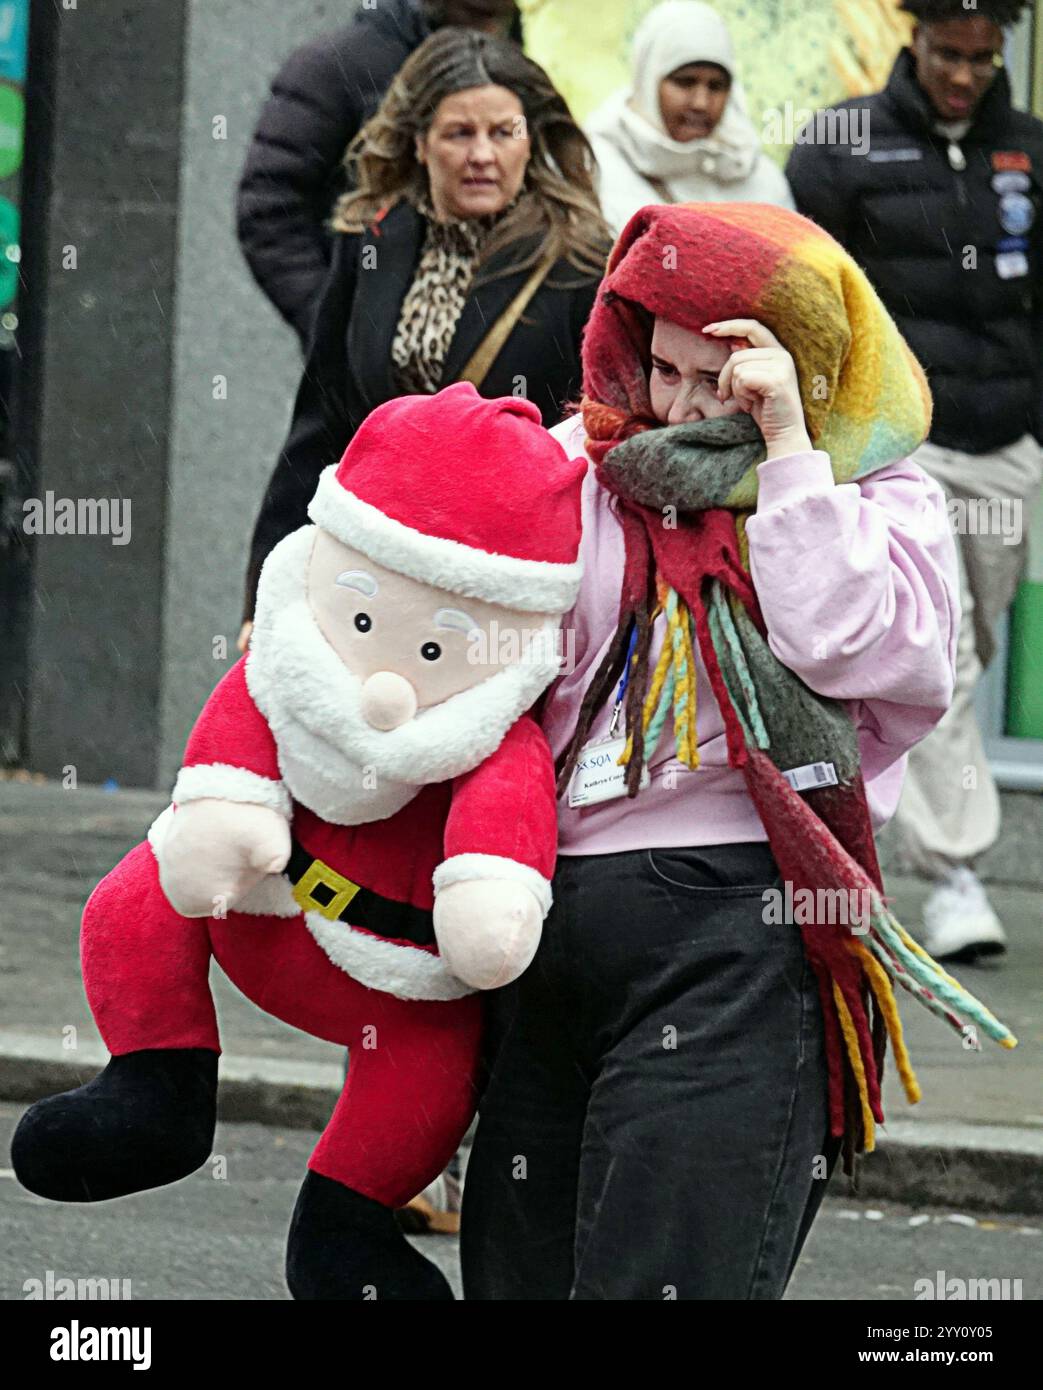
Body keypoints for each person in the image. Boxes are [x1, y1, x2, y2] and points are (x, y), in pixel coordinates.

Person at [458, 202, 1015, 1301]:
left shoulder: (872, 488)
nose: (682, 406)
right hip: (542, 921)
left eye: (727, 376)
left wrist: (789, 457)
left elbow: (863, 650)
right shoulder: (579, 463)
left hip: (738, 925)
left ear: (804, 366)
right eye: (664, 368)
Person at [786, 0, 1043, 964]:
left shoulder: (1030, 151)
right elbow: (810, 298)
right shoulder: (838, 147)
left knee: (967, 634)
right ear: (916, 42)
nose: (966, 74)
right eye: (950, 54)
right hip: (901, 445)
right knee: (943, 649)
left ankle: (878, 813)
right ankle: (958, 873)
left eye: (984, 58)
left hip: (1007, 445)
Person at [240, 26, 611, 636]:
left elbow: (596, 442)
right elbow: (320, 426)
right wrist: (264, 594)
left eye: (503, 133)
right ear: (418, 144)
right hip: (375, 564)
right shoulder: (373, 246)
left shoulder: (579, 265)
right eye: (459, 134)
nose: (482, 155)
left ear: (531, 141)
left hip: (506, 579)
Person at [236, 0, 521, 348]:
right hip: (381, 366)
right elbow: (270, 211)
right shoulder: (339, 65)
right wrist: (342, 333)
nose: (481, 154)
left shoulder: (530, 62)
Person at [584, 0, 793, 235]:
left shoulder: (754, 172)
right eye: (685, 82)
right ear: (649, 80)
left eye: (716, 86)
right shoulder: (593, 168)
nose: (701, 103)